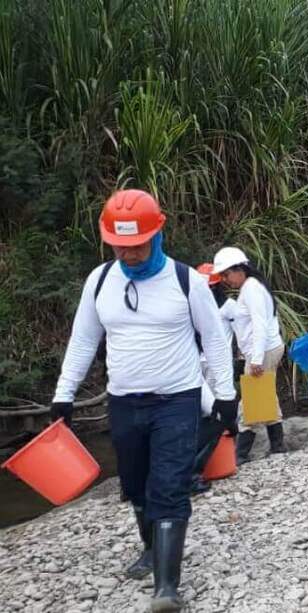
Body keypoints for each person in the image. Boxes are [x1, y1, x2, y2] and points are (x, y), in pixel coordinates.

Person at [49, 190, 237, 612]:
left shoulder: (186, 281)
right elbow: (83, 340)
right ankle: (151, 550)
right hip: (123, 402)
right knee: (135, 485)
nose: (129, 253)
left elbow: (214, 340)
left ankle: (166, 587)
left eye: (137, 245)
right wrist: (64, 394)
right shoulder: (100, 281)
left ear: (157, 234)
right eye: (120, 245)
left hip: (177, 400)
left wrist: (225, 395)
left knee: (169, 485)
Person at [212, 246, 287, 463]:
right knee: (265, 395)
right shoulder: (252, 286)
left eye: (226, 274)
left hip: (262, 351)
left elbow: (259, 324)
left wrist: (255, 359)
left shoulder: (252, 288)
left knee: (250, 401)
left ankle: (241, 454)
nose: (225, 280)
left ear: (239, 269)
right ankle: (277, 445)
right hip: (264, 349)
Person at [189, 263, 240, 495]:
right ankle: (194, 469)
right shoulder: (191, 308)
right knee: (199, 415)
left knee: (216, 413)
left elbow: (241, 331)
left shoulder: (229, 307)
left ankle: (199, 468)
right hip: (192, 366)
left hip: (217, 365)